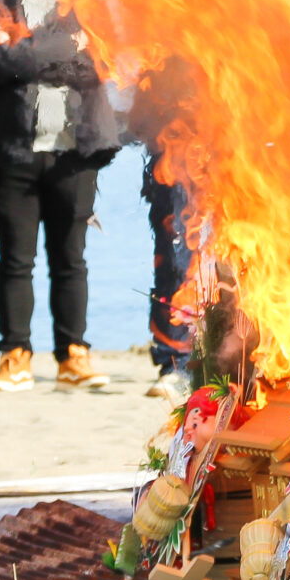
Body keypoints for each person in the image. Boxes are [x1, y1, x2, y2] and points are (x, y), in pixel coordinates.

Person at [0, 0, 124, 392]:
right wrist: (66, 48)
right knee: (14, 259)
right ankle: (14, 355)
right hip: (14, 151)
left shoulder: (90, 6)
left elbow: (99, 66)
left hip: (73, 151)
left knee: (70, 257)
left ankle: (72, 355)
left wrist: (35, 52)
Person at [127, 54, 200, 400]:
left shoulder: (230, 33)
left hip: (225, 164)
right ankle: (174, 361)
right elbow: (137, 121)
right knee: (173, 265)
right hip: (171, 171)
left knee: (221, 267)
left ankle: (205, 360)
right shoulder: (161, 50)